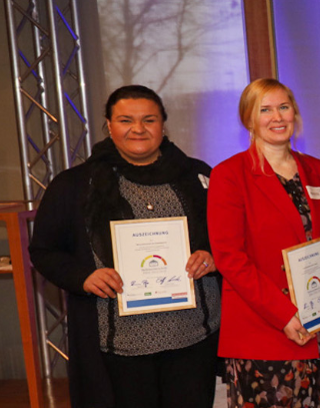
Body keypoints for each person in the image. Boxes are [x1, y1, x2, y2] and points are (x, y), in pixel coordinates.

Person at [30, 85, 220, 408]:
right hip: (116, 348)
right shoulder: (74, 185)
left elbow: (230, 237)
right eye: (125, 120)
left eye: (149, 119)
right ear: (108, 124)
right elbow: (44, 251)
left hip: (192, 339)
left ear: (163, 124)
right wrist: (83, 277)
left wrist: (214, 257)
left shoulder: (200, 176)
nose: (138, 129)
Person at [208, 78, 320, 407]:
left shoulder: (315, 169)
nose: (277, 117)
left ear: (295, 114)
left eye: (284, 107)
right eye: (265, 109)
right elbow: (230, 258)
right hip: (266, 335)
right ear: (249, 119)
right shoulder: (230, 175)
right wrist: (283, 315)